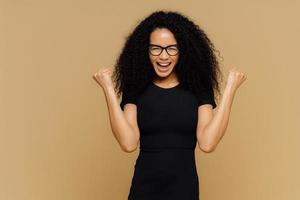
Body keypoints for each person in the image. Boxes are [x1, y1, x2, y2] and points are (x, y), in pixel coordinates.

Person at [93, 10, 246, 200]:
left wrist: (230, 88)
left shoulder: (198, 90)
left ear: (183, 50)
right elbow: (128, 143)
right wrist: (108, 88)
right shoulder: (136, 89)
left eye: (171, 48)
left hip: (184, 190)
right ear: (145, 50)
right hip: (144, 190)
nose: (163, 56)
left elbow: (207, 143)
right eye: (155, 48)